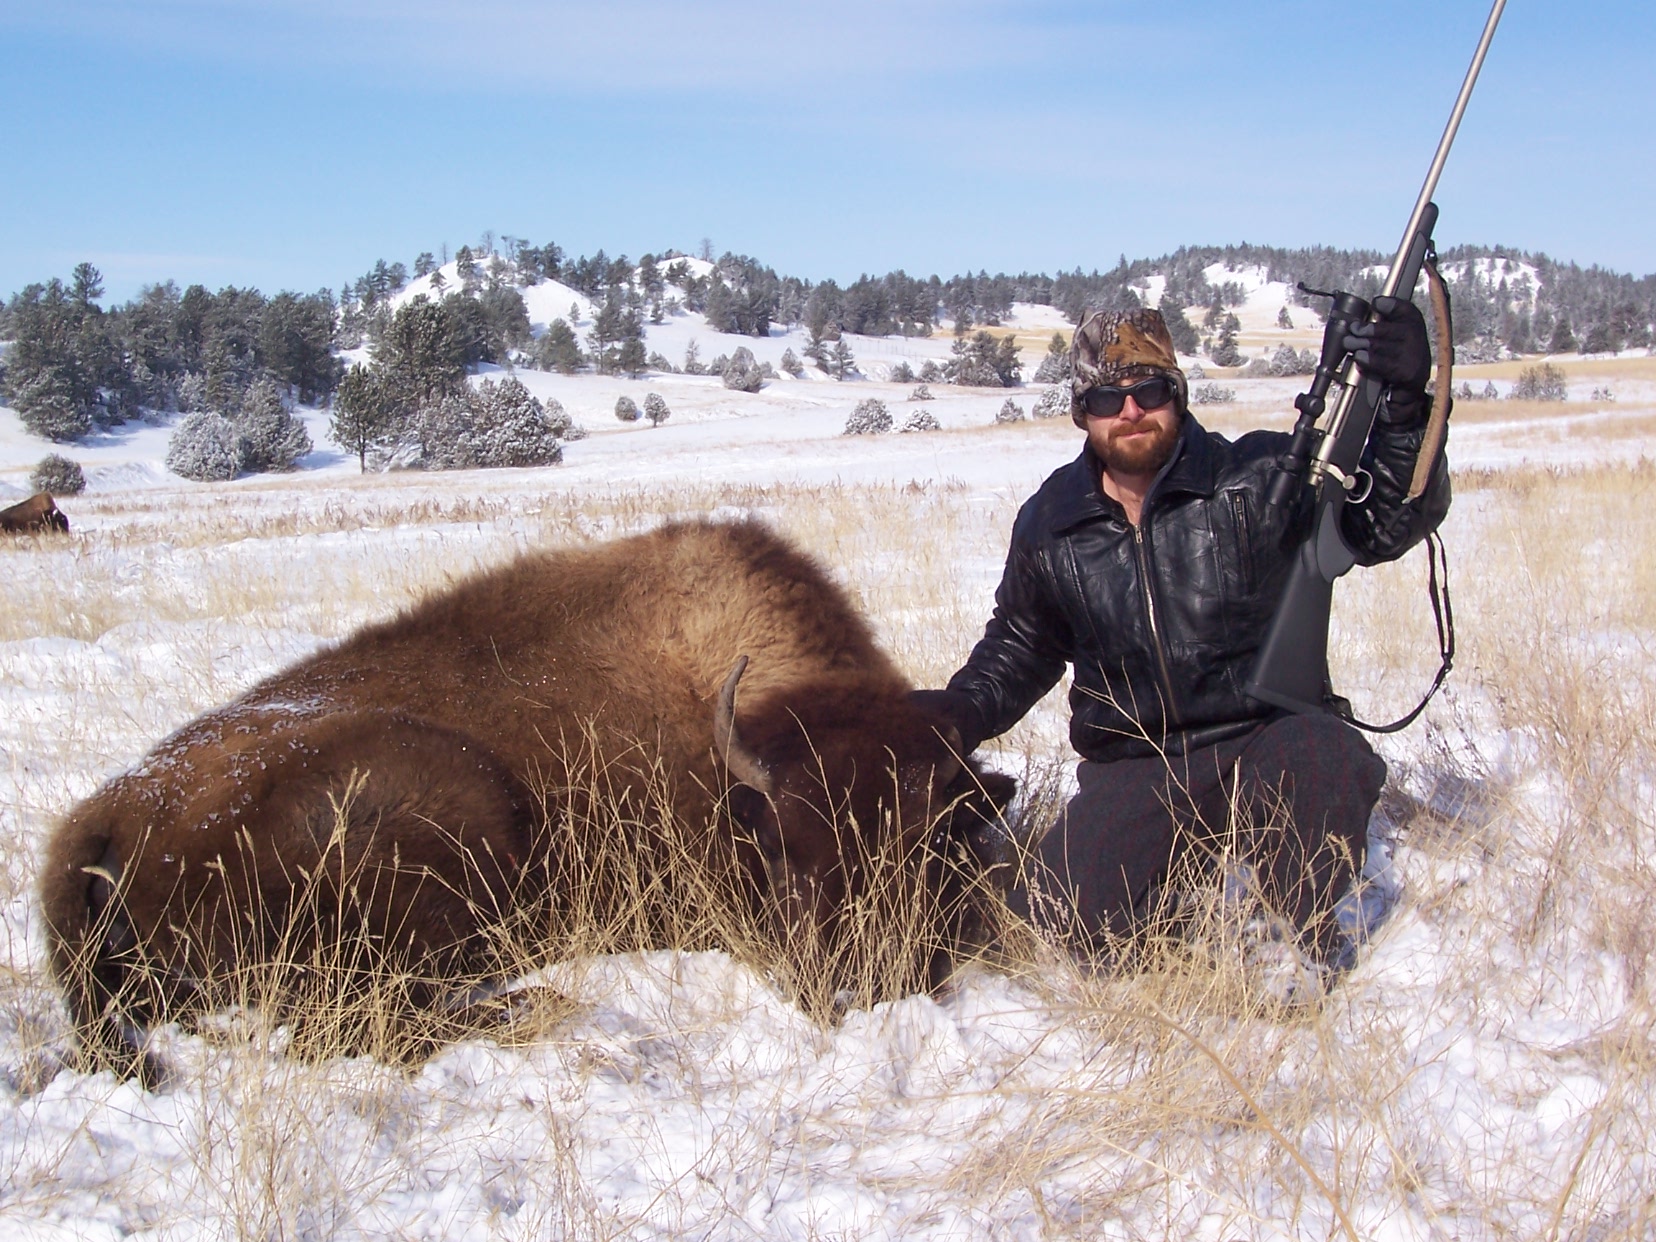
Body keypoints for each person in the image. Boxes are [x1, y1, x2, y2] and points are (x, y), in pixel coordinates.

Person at [916, 303, 1450, 972]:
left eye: (1151, 390)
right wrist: (959, 712)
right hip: (1140, 764)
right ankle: (1183, 902)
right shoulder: (1051, 523)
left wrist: (1405, 408)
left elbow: (1390, 522)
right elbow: (1022, 644)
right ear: (1083, 412)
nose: (1131, 410)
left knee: (1325, 759)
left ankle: (1291, 935)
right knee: (1054, 908)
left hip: (1271, 737)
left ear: (1179, 395)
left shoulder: (1265, 477)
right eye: (1108, 396)